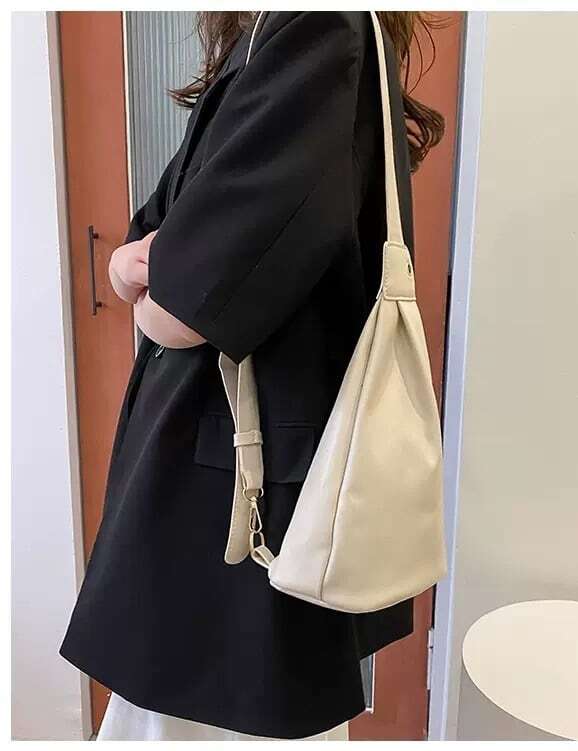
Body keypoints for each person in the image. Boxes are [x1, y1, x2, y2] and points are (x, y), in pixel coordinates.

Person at [60, 10, 444, 740]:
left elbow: (185, 301)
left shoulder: (316, 26)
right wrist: (140, 268)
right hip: (237, 476)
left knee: (210, 714)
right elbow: (154, 241)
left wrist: (147, 279)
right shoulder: (277, 30)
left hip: (245, 495)